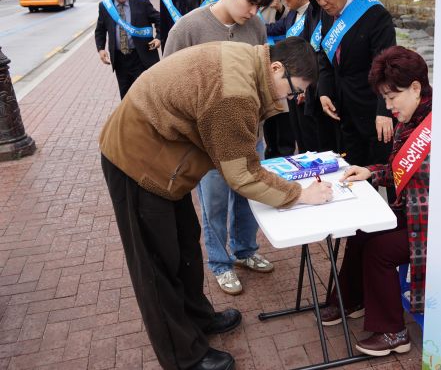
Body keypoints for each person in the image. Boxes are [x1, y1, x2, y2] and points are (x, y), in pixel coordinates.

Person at [100, 37, 333, 370]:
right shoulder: (235, 93)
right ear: (277, 68)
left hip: (164, 158)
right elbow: (242, 174)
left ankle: (198, 318)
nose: (292, 99)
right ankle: (183, 357)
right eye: (294, 90)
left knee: (184, 248)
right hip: (137, 162)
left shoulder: (251, 63)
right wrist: (299, 194)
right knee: (156, 265)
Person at [164, 0, 276, 296]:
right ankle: (219, 263)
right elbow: (167, 83)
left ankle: (245, 250)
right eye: (250, 2)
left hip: (249, 133)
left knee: (249, 195)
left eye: (260, 6)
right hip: (208, 141)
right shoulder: (188, 29)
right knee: (214, 202)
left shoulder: (255, 26)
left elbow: (261, 73)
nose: (253, 11)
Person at [319, 46, 431, 356]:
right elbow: (399, 170)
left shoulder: (440, 125)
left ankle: (394, 332)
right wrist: (370, 171)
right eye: (385, 99)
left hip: (433, 226)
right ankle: (352, 300)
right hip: (411, 214)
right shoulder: (413, 118)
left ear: (416, 88)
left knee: (380, 251)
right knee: (361, 232)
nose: (389, 106)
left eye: (392, 98)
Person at [307, 0, 396, 169]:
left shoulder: (375, 15)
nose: (321, 2)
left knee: (381, 171)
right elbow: (325, 57)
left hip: (372, 109)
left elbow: (387, 66)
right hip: (343, 111)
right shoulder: (326, 13)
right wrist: (324, 91)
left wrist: (384, 111)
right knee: (352, 171)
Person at [265, 0, 318, 153]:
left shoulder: (316, 14)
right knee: (298, 133)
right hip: (292, 85)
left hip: (308, 85)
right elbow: (274, 28)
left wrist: (307, 88)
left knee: (311, 136)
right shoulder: (291, 15)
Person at [95, 0, 161, 99]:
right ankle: (130, 119)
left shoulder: (141, 2)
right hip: (120, 60)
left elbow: (159, 20)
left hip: (141, 56)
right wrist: (101, 49)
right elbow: (100, 29)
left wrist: (158, 37)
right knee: (126, 97)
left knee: (147, 94)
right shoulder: (105, 7)